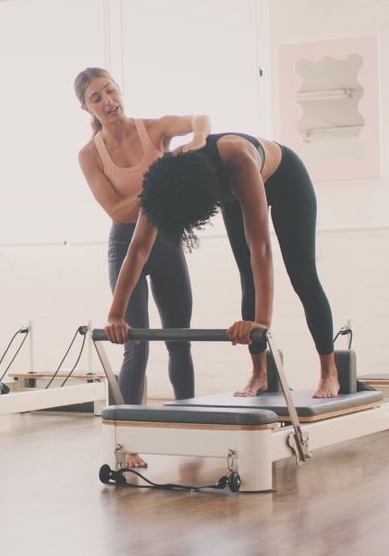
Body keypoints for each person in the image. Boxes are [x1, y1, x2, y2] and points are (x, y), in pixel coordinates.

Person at [103, 132, 340, 399]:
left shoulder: (237, 159)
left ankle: (329, 372)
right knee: (246, 277)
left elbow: (261, 249)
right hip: (231, 190)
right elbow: (137, 251)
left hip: (285, 181)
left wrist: (261, 323)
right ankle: (259, 373)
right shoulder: (159, 184)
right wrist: (116, 315)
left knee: (303, 277)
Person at [75, 67, 210, 469]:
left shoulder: (154, 130)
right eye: (97, 98)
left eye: (110, 91)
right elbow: (116, 209)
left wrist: (199, 140)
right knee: (135, 343)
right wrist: (163, 186)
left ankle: (189, 427)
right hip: (125, 244)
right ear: (86, 107)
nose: (108, 101)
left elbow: (199, 120)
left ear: (120, 91)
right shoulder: (89, 154)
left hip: (166, 241)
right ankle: (127, 440)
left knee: (178, 339)